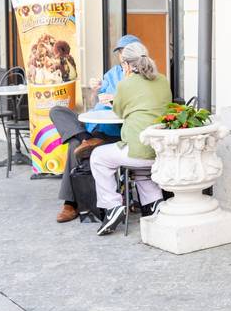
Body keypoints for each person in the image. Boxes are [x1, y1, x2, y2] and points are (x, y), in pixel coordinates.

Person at [50, 34, 141, 223]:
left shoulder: (140, 77)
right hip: (94, 126)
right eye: (120, 53)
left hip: (114, 132)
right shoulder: (112, 73)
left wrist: (116, 99)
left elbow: (136, 108)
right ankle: (85, 137)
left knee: (73, 145)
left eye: (126, 52)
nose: (122, 57)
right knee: (57, 111)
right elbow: (94, 103)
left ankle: (71, 203)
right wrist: (95, 90)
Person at [90, 42, 171, 236]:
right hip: (161, 149)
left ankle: (112, 205)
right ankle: (154, 204)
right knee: (141, 167)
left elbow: (118, 111)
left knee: (98, 156)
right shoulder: (163, 80)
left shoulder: (125, 84)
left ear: (126, 65)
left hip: (139, 150)